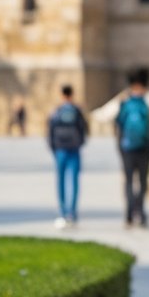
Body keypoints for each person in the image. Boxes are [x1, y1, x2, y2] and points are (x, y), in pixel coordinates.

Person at [115, 68, 149, 228]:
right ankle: (139, 210)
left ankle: (130, 213)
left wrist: (120, 147)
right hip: (144, 149)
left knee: (129, 181)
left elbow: (118, 126)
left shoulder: (125, 104)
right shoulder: (146, 105)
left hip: (127, 148)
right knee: (142, 182)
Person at [48, 84, 89, 229]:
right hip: (74, 149)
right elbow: (84, 128)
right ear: (72, 94)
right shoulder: (77, 111)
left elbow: (50, 130)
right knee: (74, 181)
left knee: (61, 181)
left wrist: (54, 147)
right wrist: (80, 143)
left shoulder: (56, 111)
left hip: (60, 150)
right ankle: (72, 212)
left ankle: (63, 211)